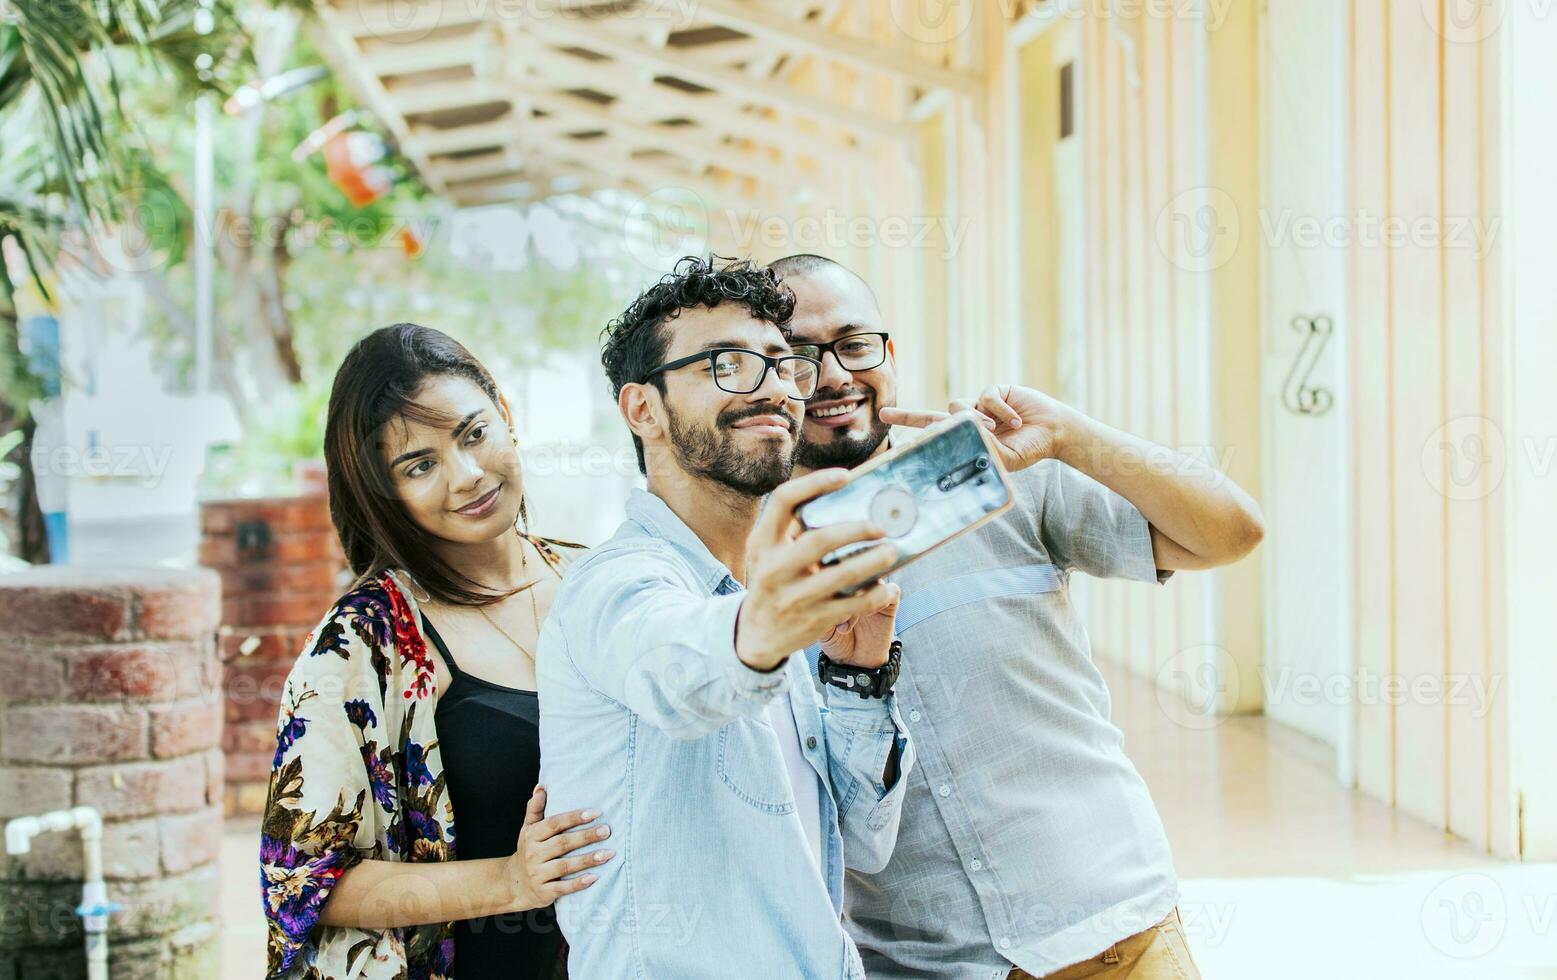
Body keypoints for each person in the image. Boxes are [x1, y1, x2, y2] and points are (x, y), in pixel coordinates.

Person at [769, 253, 1266, 980]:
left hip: (1116, 937)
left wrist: (1069, 435)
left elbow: (1230, 532)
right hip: (924, 965)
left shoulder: (1002, 476)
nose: (836, 376)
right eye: (798, 358)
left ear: (889, 354)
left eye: (853, 344)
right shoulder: (748, 569)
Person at [535, 256, 915, 979]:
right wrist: (762, 633)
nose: (773, 388)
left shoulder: (759, 589)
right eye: (727, 365)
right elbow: (676, 667)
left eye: (781, 364)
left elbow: (862, 846)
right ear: (641, 408)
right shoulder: (613, 585)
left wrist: (857, 676)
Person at [260, 324, 612, 980]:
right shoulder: (364, 643)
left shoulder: (601, 580)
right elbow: (299, 881)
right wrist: (511, 881)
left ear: (504, 413)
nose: (467, 476)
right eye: (419, 465)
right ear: (384, 491)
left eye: (474, 434)